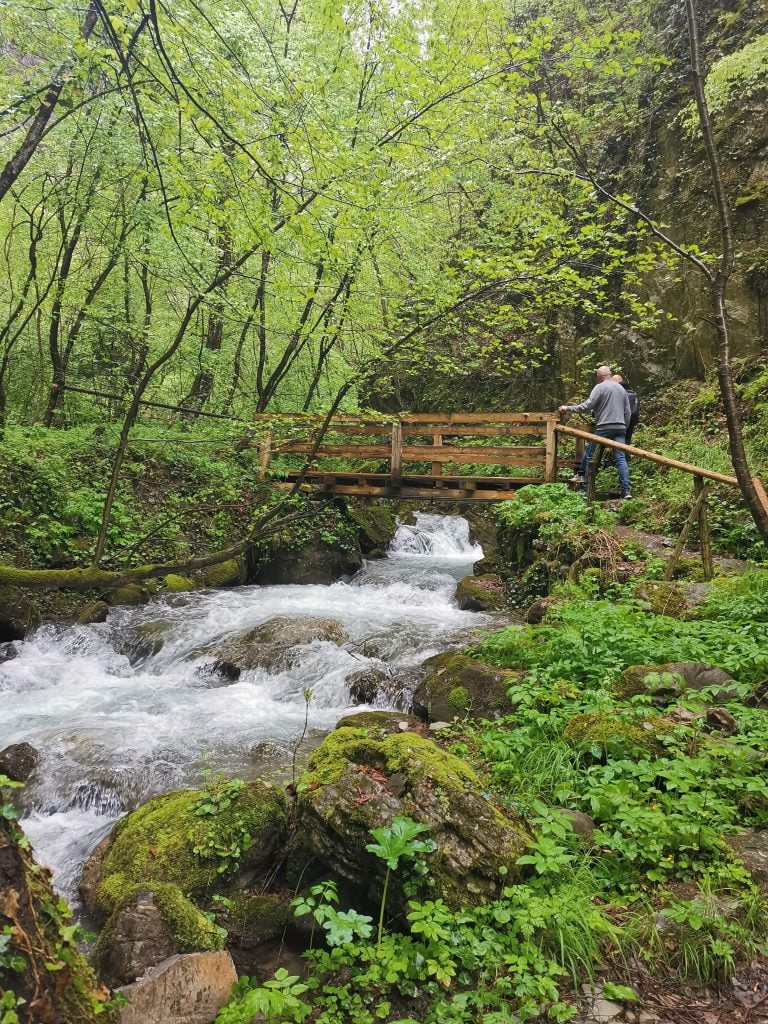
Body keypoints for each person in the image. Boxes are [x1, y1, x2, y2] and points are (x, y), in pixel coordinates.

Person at [559, 365, 632, 498]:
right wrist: (624, 427)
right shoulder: (621, 389)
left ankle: (584, 487)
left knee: (590, 455)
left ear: (599, 377)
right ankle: (626, 491)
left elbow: (588, 405)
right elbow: (628, 411)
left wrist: (568, 408)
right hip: (620, 427)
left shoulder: (599, 387)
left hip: (604, 427)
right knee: (621, 458)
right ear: (609, 374)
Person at [612, 373, 639, 452]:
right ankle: (625, 461)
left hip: (620, 423)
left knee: (618, 447)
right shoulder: (632, 393)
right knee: (626, 444)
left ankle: (621, 461)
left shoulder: (618, 393)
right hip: (631, 423)